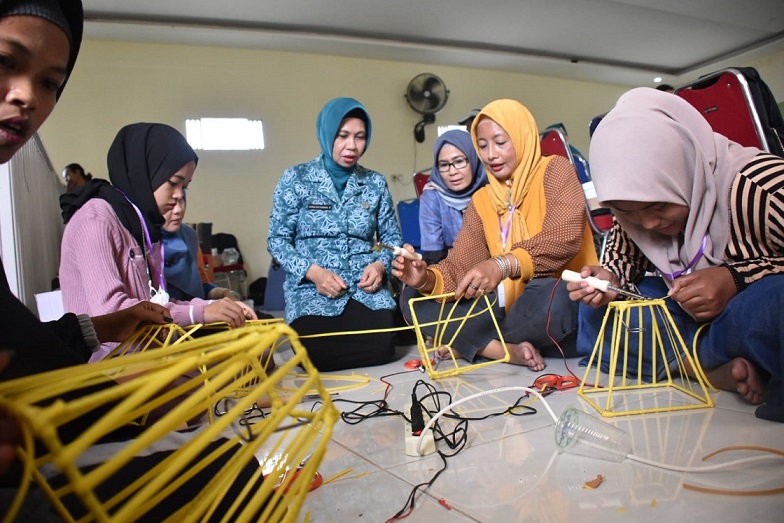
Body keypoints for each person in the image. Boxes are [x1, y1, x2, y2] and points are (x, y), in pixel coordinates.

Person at [0, 0, 174, 477]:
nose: (26, 97)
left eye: (50, 83)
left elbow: (18, 342)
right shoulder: (99, 218)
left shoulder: (137, 223)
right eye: (4, 61)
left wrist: (97, 326)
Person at [567, 87, 784, 423]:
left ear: (684, 166)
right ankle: (702, 367)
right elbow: (619, 263)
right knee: (608, 315)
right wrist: (609, 279)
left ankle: (684, 361)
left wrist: (738, 278)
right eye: (628, 212)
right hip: (687, 324)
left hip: (743, 318)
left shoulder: (760, 186)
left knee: (775, 304)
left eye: (659, 204)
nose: (648, 223)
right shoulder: (632, 208)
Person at [393, 99, 598, 370]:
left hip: (549, 302)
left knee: (555, 293)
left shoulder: (555, 170)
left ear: (521, 136)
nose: (491, 154)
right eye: (483, 145)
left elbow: (564, 237)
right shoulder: (482, 199)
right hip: (505, 307)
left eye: (501, 142)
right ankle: (499, 349)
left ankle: (467, 341)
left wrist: (501, 265)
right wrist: (425, 278)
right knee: (413, 298)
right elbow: (460, 263)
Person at [59, 122, 254, 361]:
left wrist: (218, 307)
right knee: (232, 367)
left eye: (185, 187)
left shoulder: (139, 225)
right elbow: (114, 314)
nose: (179, 196)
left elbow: (155, 302)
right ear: (145, 171)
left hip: (144, 352)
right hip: (111, 362)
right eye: (173, 182)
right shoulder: (96, 220)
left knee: (256, 354)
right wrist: (201, 311)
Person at [267, 97, 402, 372]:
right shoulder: (296, 178)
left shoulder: (374, 182)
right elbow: (277, 241)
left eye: (360, 137)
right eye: (342, 136)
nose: (351, 146)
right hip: (312, 290)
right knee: (315, 353)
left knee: (383, 346)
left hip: (367, 290)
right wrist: (313, 272)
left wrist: (379, 265)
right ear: (327, 133)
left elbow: (391, 239)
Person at [419, 129, 487, 264]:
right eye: (444, 165)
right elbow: (434, 255)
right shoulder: (431, 197)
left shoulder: (490, 191)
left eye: (459, 161)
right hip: (451, 267)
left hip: (495, 267)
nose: (452, 171)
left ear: (473, 159)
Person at [162, 195, 243, 302]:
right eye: (171, 203)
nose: (178, 210)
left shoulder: (189, 236)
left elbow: (201, 287)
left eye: (181, 201)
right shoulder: (142, 244)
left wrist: (226, 294)